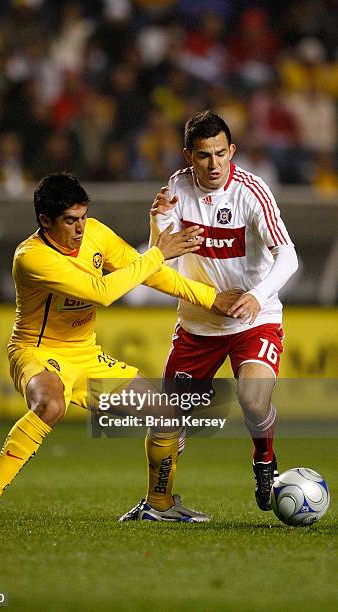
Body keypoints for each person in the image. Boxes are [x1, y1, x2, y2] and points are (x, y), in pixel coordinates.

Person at [0, 172, 242, 525]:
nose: (80, 228)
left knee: (166, 416)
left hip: (87, 358)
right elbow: (101, 292)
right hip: (37, 352)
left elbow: (145, 273)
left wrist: (209, 297)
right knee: (51, 404)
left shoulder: (95, 232)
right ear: (45, 221)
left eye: (82, 217)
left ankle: (160, 505)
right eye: (69, 221)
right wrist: (157, 252)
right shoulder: (31, 258)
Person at [120, 110, 298, 522]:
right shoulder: (175, 190)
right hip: (198, 325)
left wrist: (256, 296)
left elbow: (286, 256)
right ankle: (158, 503)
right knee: (167, 420)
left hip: (254, 319)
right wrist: (156, 221)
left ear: (232, 150)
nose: (214, 163)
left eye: (221, 153)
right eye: (204, 155)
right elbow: (158, 260)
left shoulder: (252, 192)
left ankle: (264, 459)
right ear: (189, 155)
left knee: (253, 400)